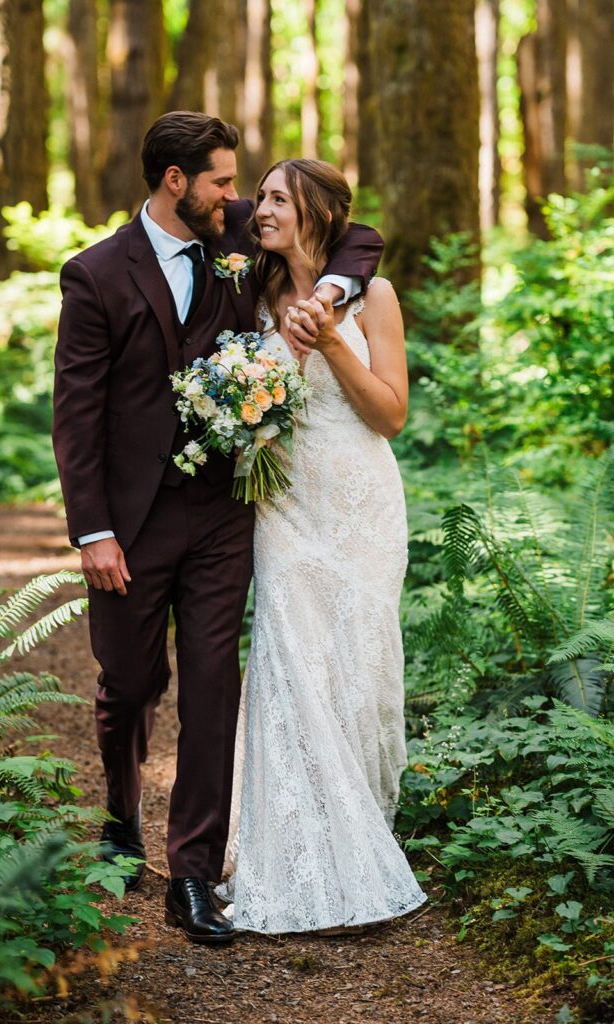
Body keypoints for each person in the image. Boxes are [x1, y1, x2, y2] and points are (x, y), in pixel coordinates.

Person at [52, 113, 383, 945]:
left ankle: (193, 872)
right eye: (222, 182)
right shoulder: (95, 275)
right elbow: (77, 413)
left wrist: (333, 294)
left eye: (239, 186)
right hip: (133, 521)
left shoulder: (236, 232)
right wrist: (92, 530)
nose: (237, 197)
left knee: (211, 682)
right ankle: (121, 815)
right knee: (129, 683)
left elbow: (359, 233)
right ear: (176, 182)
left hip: (227, 509)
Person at [218, 159, 427, 934]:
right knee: (289, 658)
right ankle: (291, 848)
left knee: (355, 664)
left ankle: (355, 833)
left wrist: (332, 339)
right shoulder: (249, 289)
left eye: (277, 198)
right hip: (283, 505)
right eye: (260, 195)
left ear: (313, 212)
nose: (260, 208)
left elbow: (391, 416)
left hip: (362, 503)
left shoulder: (370, 293)